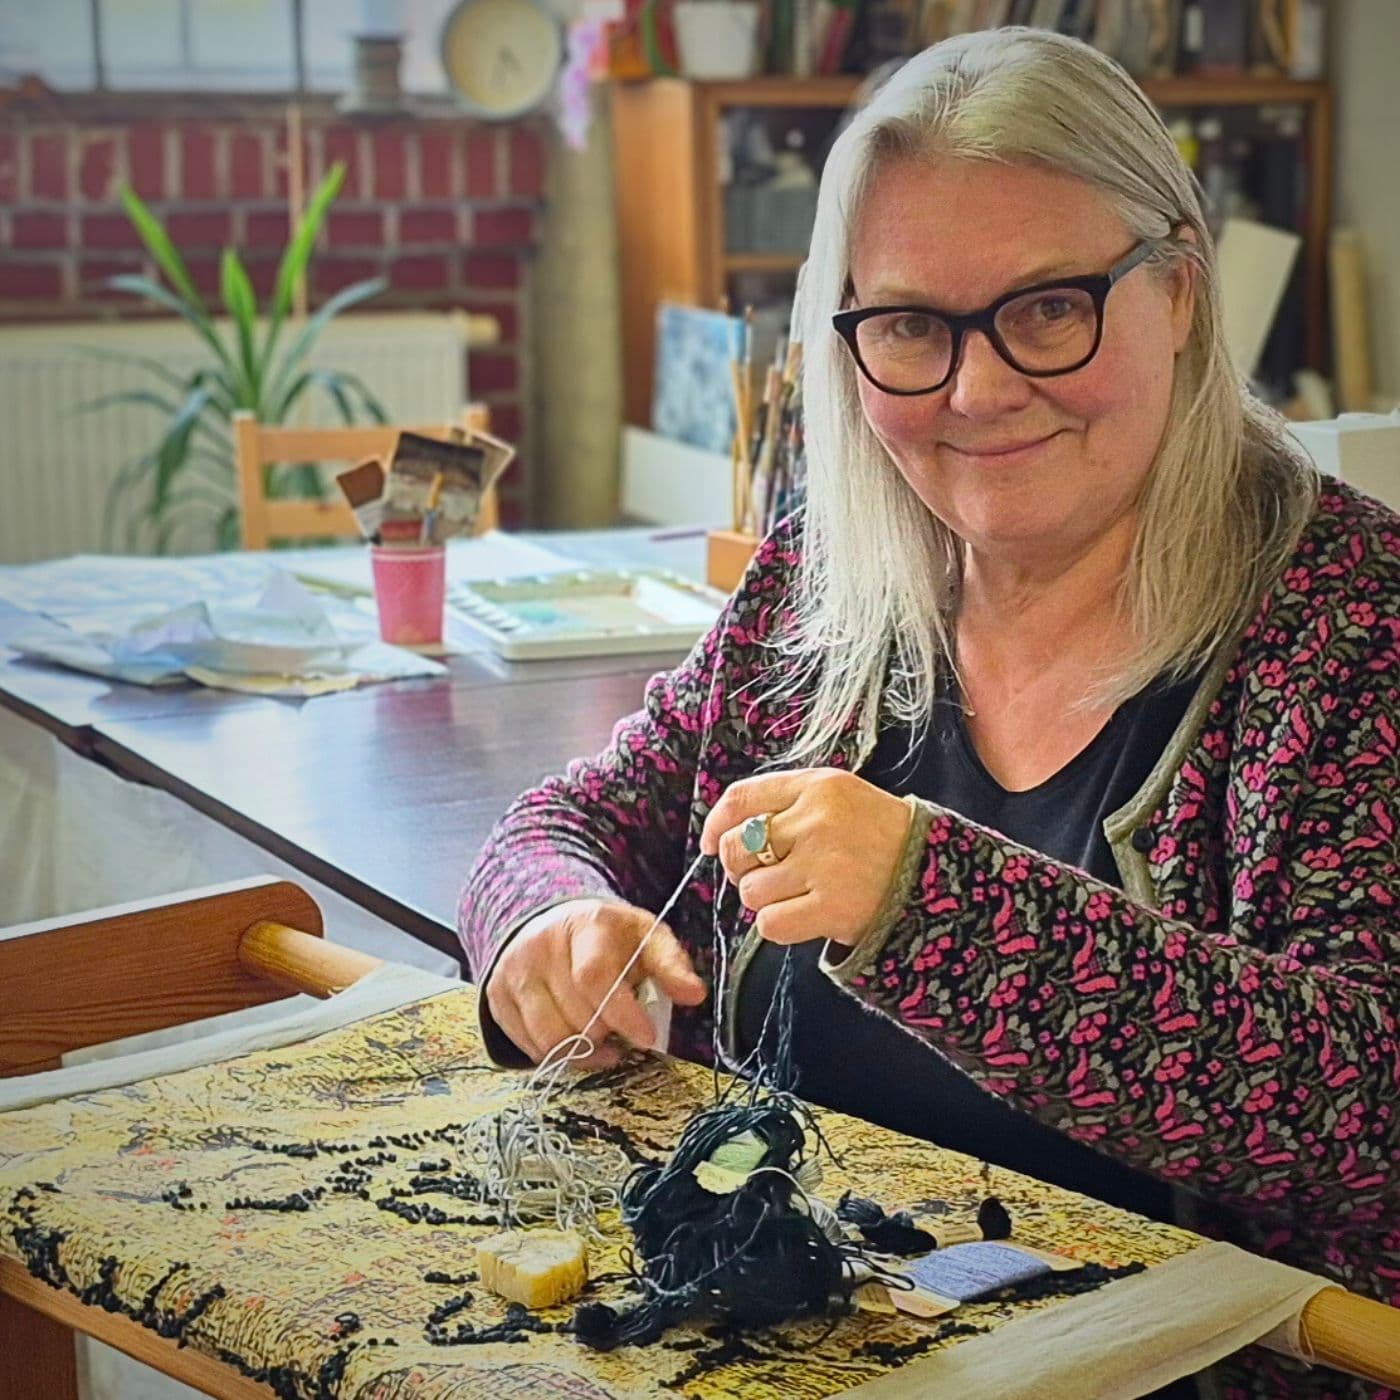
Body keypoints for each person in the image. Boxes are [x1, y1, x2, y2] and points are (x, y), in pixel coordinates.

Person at [459, 28, 1398, 1399]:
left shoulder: (1354, 627)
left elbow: (1365, 1111)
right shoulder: (824, 581)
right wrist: (545, 921)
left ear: (1183, 294)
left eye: (1050, 308)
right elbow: (570, 822)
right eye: (909, 326)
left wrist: (927, 899)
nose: (978, 388)